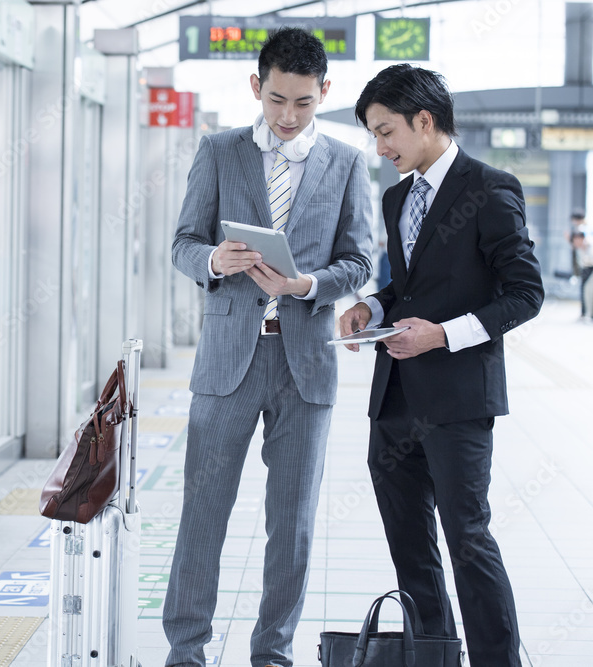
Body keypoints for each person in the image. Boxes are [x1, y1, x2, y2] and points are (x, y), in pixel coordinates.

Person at [164, 28, 373, 667]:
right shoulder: (220, 151)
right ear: (257, 87)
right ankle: (186, 651)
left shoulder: (347, 162)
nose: (287, 116)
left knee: (293, 523)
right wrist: (215, 260)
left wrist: (308, 283)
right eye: (277, 99)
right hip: (229, 361)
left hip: (304, 362)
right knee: (203, 512)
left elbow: (361, 260)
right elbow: (182, 244)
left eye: (303, 104)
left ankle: (272, 652)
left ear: (324, 93)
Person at [339, 64, 544, 666]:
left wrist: (443, 337)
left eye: (386, 132)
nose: (381, 147)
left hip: (457, 400)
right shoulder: (395, 195)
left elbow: (525, 293)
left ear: (424, 121)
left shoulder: (490, 187)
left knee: (468, 541)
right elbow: (411, 286)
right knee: (409, 549)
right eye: (374, 136)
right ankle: (434, 656)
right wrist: (372, 305)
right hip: (395, 398)